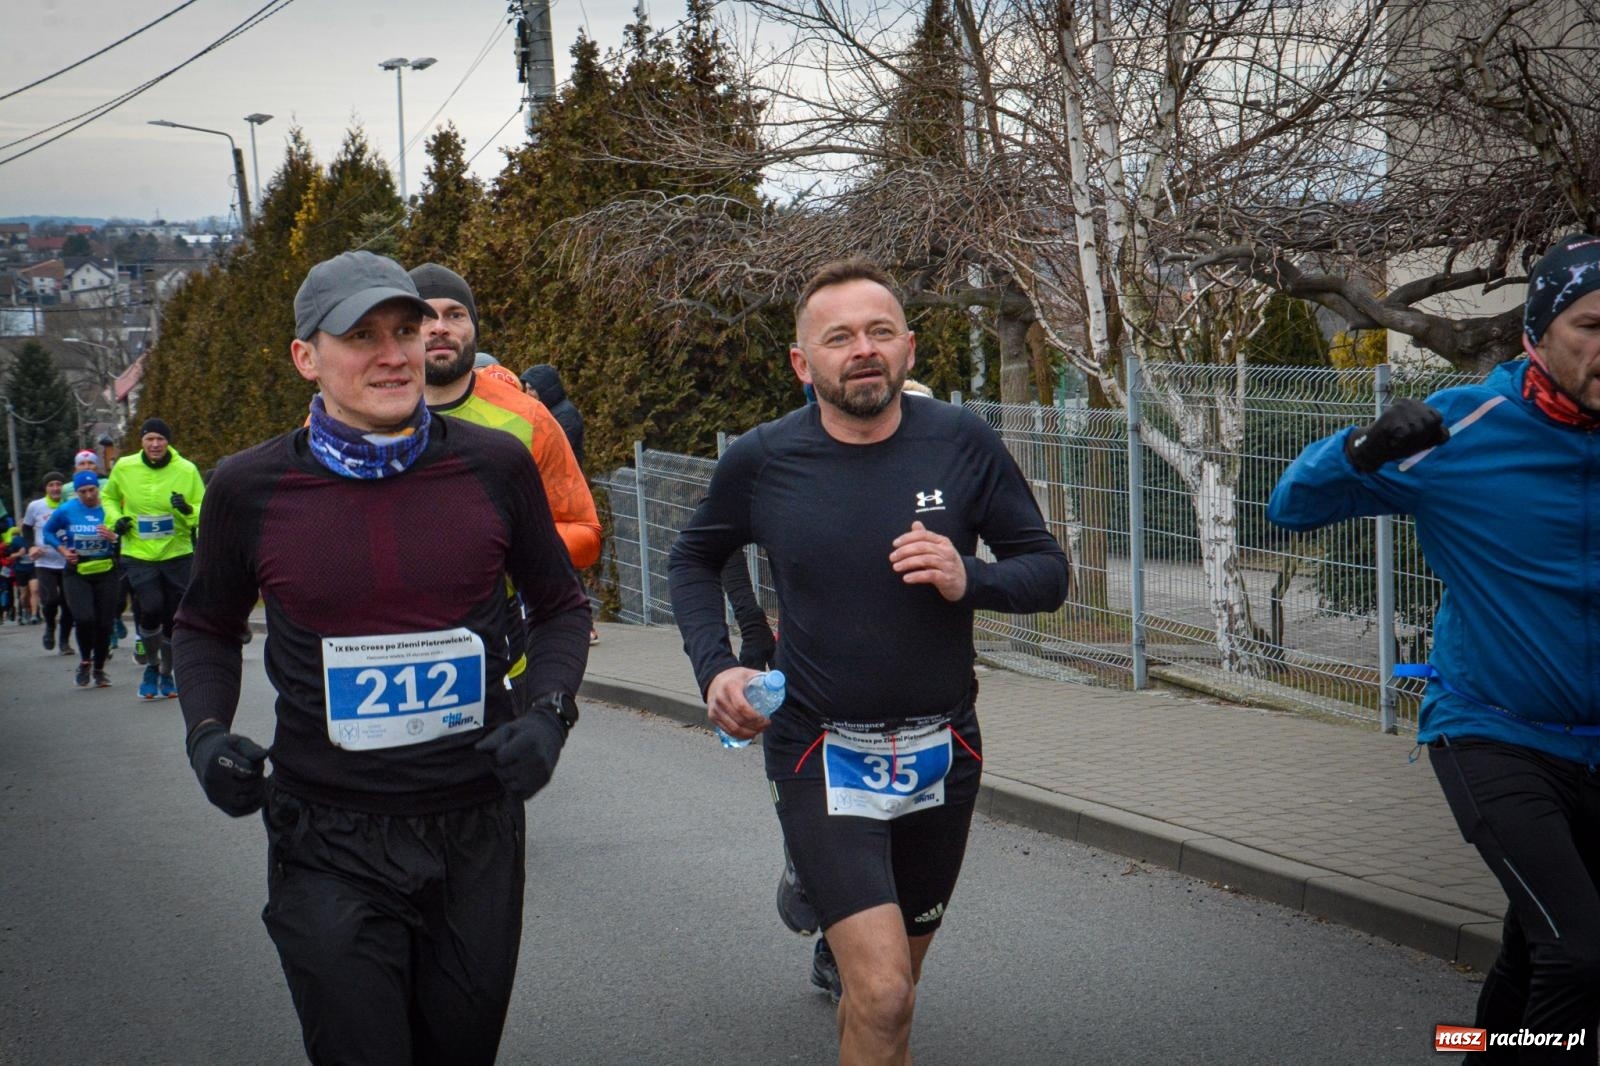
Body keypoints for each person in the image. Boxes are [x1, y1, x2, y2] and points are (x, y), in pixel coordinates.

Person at [173, 250, 590, 1066]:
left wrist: (549, 715)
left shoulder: (492, 465)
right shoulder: (247, 488)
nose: (394, 353)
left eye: (406, 329)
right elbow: (205, 625)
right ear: (306, 357)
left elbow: (560, 606)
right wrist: (206, 734)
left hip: (474, 827)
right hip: (327, 833)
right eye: (361, 335)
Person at [668, 258, 1070, 1065]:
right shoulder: (764, 459)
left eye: (880, 332)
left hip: (943, 752)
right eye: (840, 337)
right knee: (882, 990)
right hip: (821, 751)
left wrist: (972, 578)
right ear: (801, 362)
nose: (863, 350)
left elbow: (1048, 572)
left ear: (909, 349)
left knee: (887, 1002)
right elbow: (692, 557)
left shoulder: (962, 441)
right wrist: (717, 668)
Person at [1270, 232, 1600, 1063]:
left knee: (1541, 944)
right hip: (1495, 732)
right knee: (1581, 955)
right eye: (1592, 327)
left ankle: (1475, 1048)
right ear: (1538, 330)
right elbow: (1289, 507)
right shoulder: (1465, 429)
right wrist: (1361, 448)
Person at [407, 263, 602, 573]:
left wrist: (506, 545)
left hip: (506, 618)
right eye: (423, 317)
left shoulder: (529, 417)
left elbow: (584, 532)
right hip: (395, 619)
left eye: (455, 315)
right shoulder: (354, 418)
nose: (439, 327)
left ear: (475, 329)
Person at [101, 418, 204, 699]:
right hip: (139, 553)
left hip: (177, 552)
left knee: (173, 616)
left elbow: (202, 507)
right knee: (151, 607)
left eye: (160, 439)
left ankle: (166, 673)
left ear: (168, 442)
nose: (155, 444)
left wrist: (186, 509)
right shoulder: (124, 467)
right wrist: (116, 520)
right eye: (150, 439)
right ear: (142, 442)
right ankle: (152, 665)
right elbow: (108, 498)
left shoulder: (186, 469)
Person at [41, 470, 118, 688]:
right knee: (84, 619)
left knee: (104, 624)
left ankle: (99, 669)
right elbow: (48, 532)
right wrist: (63, 550)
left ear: (98, 488)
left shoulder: (109, 508)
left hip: (106, 570)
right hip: (77, 572)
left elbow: (126, 532)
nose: (88, 495)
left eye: (92, 490)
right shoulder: (67, 509)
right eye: (83, 492)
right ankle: (85, 660)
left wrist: (114, 537)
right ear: (76, 493)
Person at [23, 471, 74, 655]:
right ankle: (50, 627)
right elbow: (27, 528)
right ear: (46, 488)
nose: (55, 488)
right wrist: (30, 547)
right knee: (50, 599)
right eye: (51, 485)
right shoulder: (36, 506)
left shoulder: (71, 505)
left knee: (69, 604)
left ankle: (64, 642)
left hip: (67, 561)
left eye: (59, 484)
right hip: (45, 562)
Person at [520, 364, 586, 468]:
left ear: (545, 389)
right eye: (526, 389)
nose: (527, 394)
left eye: (531, 389)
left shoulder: (566, 415)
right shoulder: (543, 411)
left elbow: (553, 451)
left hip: (563, 479)